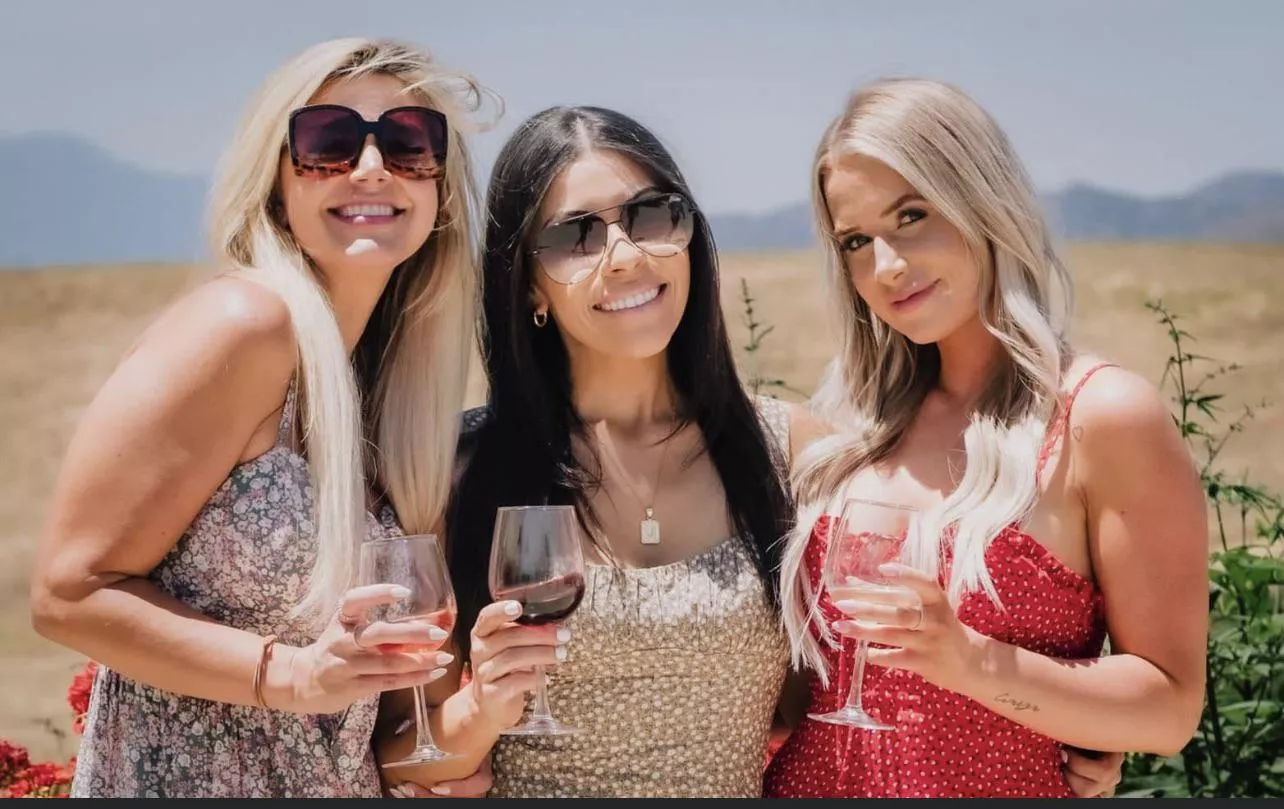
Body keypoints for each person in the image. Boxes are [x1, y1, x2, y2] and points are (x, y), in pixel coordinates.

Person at [375, 104, 1127, 798]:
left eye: (651, 215)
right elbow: (401, 761)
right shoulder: (458, 469)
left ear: (689, 239)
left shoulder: (791, 452)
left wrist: (1063, 722)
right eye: (577, 235)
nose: (627, 254)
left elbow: (877, 666)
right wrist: (478, 707)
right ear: (528, 285)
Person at [29, 37, 494, 798]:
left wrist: (473, 730)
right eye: (328, 143)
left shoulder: (390, 403)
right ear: (278, 179)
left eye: (410, 144)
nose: (372, 167)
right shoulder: (244, 327)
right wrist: (291, 674)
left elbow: (387, 736)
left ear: (439, 186)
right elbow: (68, 593)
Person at [763, 77, 1209, 798]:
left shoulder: (1099, 416)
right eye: (855, 241)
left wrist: (971, 662)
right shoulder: (854, 419)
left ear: (980, 198)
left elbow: (1168, 707)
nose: (886, 266)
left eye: (912, 214)